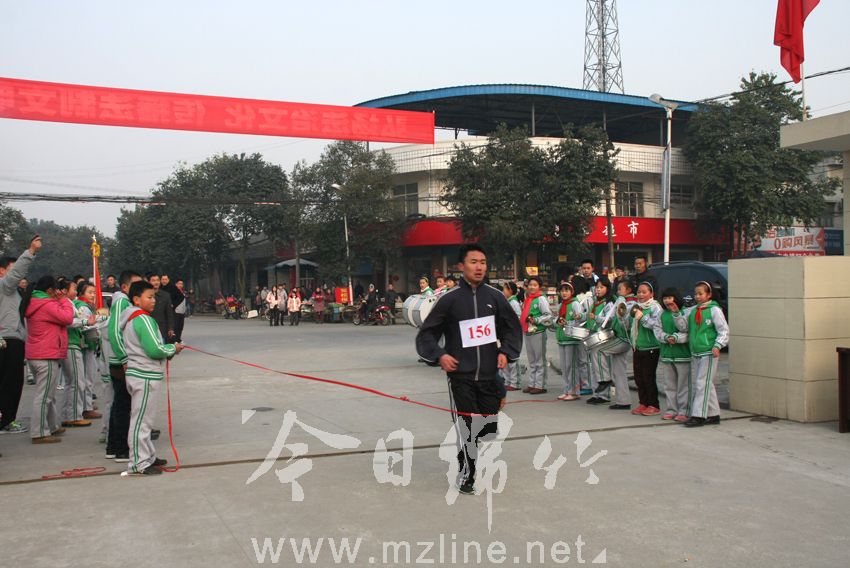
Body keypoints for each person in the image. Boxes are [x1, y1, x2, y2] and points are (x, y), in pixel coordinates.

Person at [416, 244, 522, 495]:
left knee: (488, 428)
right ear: (461, 266)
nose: (479, 267)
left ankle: (470, 453)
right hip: (461, 376)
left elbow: (512, 328)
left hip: (489, 375)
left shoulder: (495, 297)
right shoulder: (449, 300)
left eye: (483, 262)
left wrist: (506, 352)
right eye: (473, 262)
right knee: (467, 426)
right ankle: (468, 473)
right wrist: (440, 355)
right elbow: (427, 335)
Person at [121, 280, 183, 475]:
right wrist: (172, 348)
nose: (153, 300)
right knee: (141, 421)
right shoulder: (143, 319)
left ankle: (147, 456)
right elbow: (154, 349)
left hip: (140, 373)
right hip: (144, 375)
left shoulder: (132, 318)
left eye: (154, 297)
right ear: (136, 299)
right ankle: (138, 463)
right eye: (149, 297)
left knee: (144, 420)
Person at [24, 275, 75, 443]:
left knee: (48, 393)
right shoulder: (46, 304)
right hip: (46, 355)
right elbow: (67, 318)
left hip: (35, 353)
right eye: (56, 290)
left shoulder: (34, 302)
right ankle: (38, 433)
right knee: (44, 396)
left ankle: (52, 426)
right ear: (49, 290)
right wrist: (64, 300)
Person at [0, 235, 41, 434]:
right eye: (12, 268)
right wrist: (31, 252)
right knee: (10, 383)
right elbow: (16, 273)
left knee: (11, 382)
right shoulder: (5, 286)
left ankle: (6, 418)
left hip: (12, 339)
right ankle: (6, 420)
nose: (17, 274)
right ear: (2, 271)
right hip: (8, 340)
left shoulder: (13, 292)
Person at [677, 281, 729, 427]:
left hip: (709, 351)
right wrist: (676, 313)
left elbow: (724, 330)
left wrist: (718, 345)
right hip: (696, 351)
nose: (697, 296)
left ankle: (698, 415)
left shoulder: (714, 310)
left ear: (709, 294)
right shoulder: (693, 310)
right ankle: (713, 414)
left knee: (702, 383)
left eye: (701, 294)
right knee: (706, 383)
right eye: (696, 294)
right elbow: (683, 327)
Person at [104, 270, 142, 462]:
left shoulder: (125, 302)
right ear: (125, 287)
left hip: (121, 360)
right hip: (120, 362)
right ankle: (121, 448)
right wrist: (125, 359)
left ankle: (113, 447)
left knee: (120, 403)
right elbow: (114, 332)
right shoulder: (122, 302)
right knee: (123, 405)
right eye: (135, 285)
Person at [60, 279, 95, 428]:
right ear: (64, 291)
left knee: (72, 382)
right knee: (76, 382)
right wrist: (85, 322)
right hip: (71, 344)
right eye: (73, 289)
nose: (75, 292)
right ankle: (74, 416)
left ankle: (70, 414)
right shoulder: (66, 303)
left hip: (71, 343)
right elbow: (68, 321)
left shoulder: (69, 303)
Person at [653, 288, 691, 422]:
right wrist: (666, 337)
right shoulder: (661, 314)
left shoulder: (685, 312)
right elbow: (657, 330)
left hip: (683, 355)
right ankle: (671, 410)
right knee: (669, 385)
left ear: (676, 298)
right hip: (667, 354)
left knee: (683, 385)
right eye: (665, 298)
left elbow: (686, 330)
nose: (667, 301)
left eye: (670, 298)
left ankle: (684, 411)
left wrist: (675, 337)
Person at [628, 282, 663, 416]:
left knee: (648, 377)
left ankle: (654, 405)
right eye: (639, 292)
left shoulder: (655, 307)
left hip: (651, 347)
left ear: (651, 294)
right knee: (639, 378)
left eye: (644, 292)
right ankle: (643, 403)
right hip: (638, 346)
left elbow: (655, 325)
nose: (641, 295)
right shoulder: (637, 307)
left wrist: (642, 317)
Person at [585, 278, 616, 405]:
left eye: (602, 287)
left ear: (607, 289)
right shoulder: (595, 302)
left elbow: (610, 320)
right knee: (593, 366)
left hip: (604, 337)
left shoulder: (609, 303)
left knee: (603, 365)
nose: (598, 290)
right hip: (593, 335)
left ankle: (604, 395)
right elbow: (588, 316)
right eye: (597, 287)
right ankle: (596, 393)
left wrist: (596, 318)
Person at [608, 280, 638, 410]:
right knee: (619, 371)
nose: (618, 292)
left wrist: (621, 310)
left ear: (629, 290)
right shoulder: (621, 302)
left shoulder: (631, 304)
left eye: (621, 289)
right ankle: (623, 400)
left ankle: (604, 379)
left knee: (598, 351)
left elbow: (625, 324)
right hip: (618, 336)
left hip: (624, 339)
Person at [554, 282, 586, 401]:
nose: (564, 293)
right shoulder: (561, 305)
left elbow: (580, 319)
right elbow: (556, 319)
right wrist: (557, 321)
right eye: (562, 291)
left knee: (571, 367)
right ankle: (566, 390)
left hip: (572, 339)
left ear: (572, 292)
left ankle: (574, 391)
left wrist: (568, 323)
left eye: (566, 290)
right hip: (562, 338)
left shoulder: (575, 304)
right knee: (564, 367)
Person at [521, 276, 552, 395]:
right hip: (528, 331)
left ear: (539, 287)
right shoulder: (528, 298)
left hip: (538, 332)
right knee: (532, 360)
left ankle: (540, 385)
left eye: (535, 285)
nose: (532, 287)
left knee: (539, 360)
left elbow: (548, 315)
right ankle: (532, 383)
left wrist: (537, 320)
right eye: (530, 285)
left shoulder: (541, 299)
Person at [500, 282, 523, 391]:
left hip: (513, 333)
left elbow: (518, 317)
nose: (503, 291)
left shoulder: (514, 302)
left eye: (504, 289)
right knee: (506, 357)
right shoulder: (506, 301)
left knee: (513, 358)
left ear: (510, 290)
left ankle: (515, 382)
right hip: (506, 333)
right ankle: (507, 380)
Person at [146, 273, 174, 342]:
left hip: (161, 328)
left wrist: (170, 328)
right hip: (148, 326)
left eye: (158, 280)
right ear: (148, 282)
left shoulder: (166, 295)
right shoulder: (144, 295)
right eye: (153, 280)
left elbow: (169, 313)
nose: (156, 282)